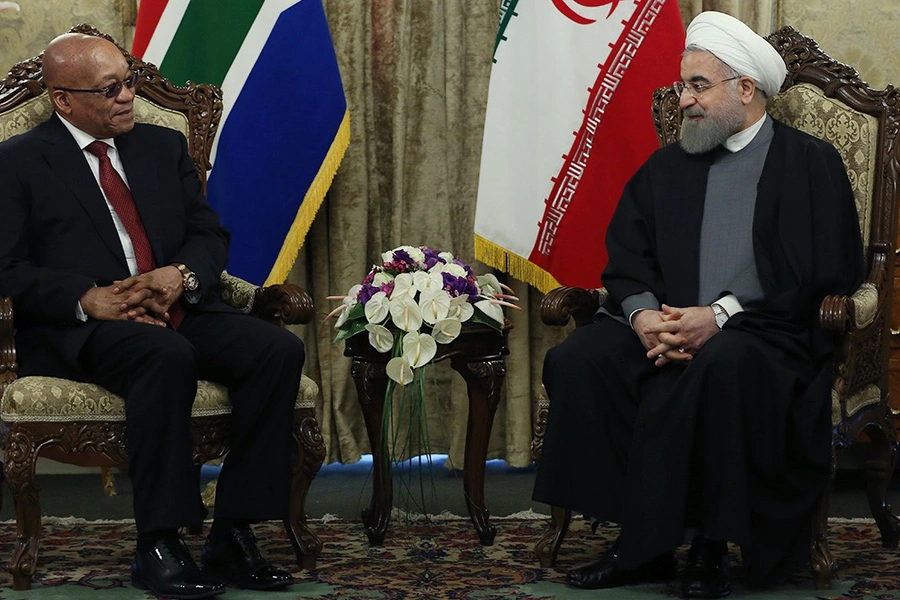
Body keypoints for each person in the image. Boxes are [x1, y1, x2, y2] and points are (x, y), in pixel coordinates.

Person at [532, 11, 864, 599]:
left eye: (697, 86)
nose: (682, 100)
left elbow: (824, 272)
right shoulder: (667, 167)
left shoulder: (809, 164)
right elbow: (627, 259)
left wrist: (721, 316)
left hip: (768, 333)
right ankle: (642, 543)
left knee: (723, 365)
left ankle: (712, 541)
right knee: (581, 358)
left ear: (745, 89)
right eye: (682, 86)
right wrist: (642, 317)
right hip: (669, 326)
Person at [0, 33, 306, 599]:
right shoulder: (19, 161)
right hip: (83, 327)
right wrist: (86, 297)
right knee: (164, 355)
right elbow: (6, 265)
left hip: (178, 306)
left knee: (277, 349)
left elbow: (208, 234)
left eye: (130, 82)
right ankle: (158, 544)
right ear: (62, 99)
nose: (127, 97)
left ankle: (234, 532)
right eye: (110, 88)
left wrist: (180, 275)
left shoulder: (162, 147)